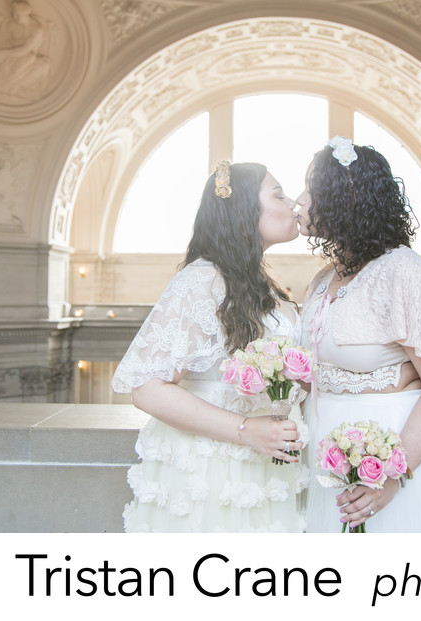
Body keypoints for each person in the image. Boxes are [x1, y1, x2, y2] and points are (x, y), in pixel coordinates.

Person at [296, 137, 421, 533]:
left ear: (342, 199)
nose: (300, 201)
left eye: (311, 190)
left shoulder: (403, 270)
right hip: (325, 460)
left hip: (390, 463)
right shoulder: (324, 277)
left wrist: (390, 476)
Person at [113, 162, 307, 532]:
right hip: (216, 471)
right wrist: (246, 429)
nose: (293, 203)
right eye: (279, 194)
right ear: (245, 209)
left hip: (268, 469)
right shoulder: (202, 280)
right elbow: (147, 389)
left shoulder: (260, 282)